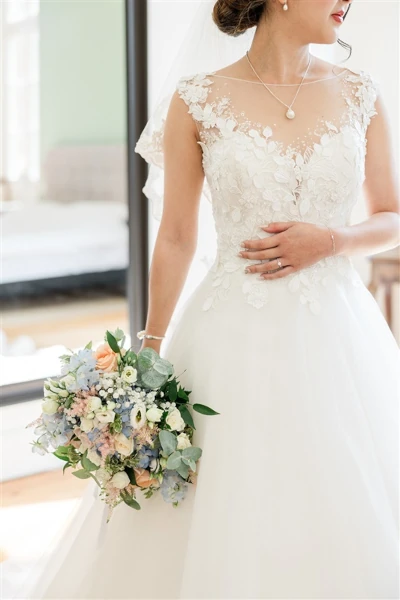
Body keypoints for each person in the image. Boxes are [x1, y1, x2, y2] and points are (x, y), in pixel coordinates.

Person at [18, 0, 399, 598]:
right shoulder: (198, 99)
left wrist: (333, 239)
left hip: (340, 337)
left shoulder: (361, 93)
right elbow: (175, 237)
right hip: (229, 334)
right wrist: (147, 350)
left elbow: (391, 217)